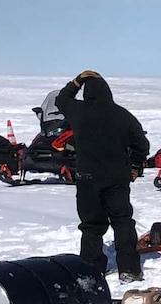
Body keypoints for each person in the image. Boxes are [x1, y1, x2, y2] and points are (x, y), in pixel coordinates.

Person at [56, 70, 150, 281]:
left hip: (87, 178)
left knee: (91, 226)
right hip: (117, 178)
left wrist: (76, 81)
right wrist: (134, 166)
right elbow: (141, 145)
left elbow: (61, 99)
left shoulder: (78, 111)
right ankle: (129, 269)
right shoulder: (122, 114)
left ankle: (92, 270)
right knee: (122, 222)